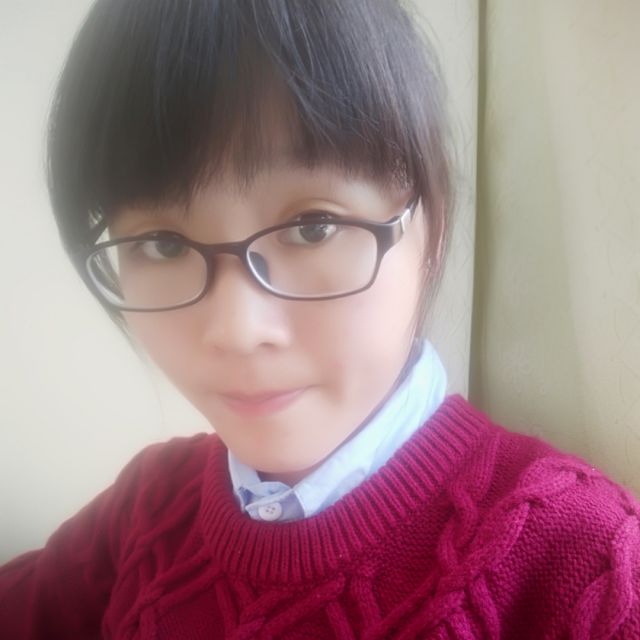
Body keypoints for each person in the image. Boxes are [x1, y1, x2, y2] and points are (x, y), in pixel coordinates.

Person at [1, 0, 638, 638]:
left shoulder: (587, 564)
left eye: (313, 226)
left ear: (432, 227)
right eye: (162, 244)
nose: (237, 331)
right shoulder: (145, 510)